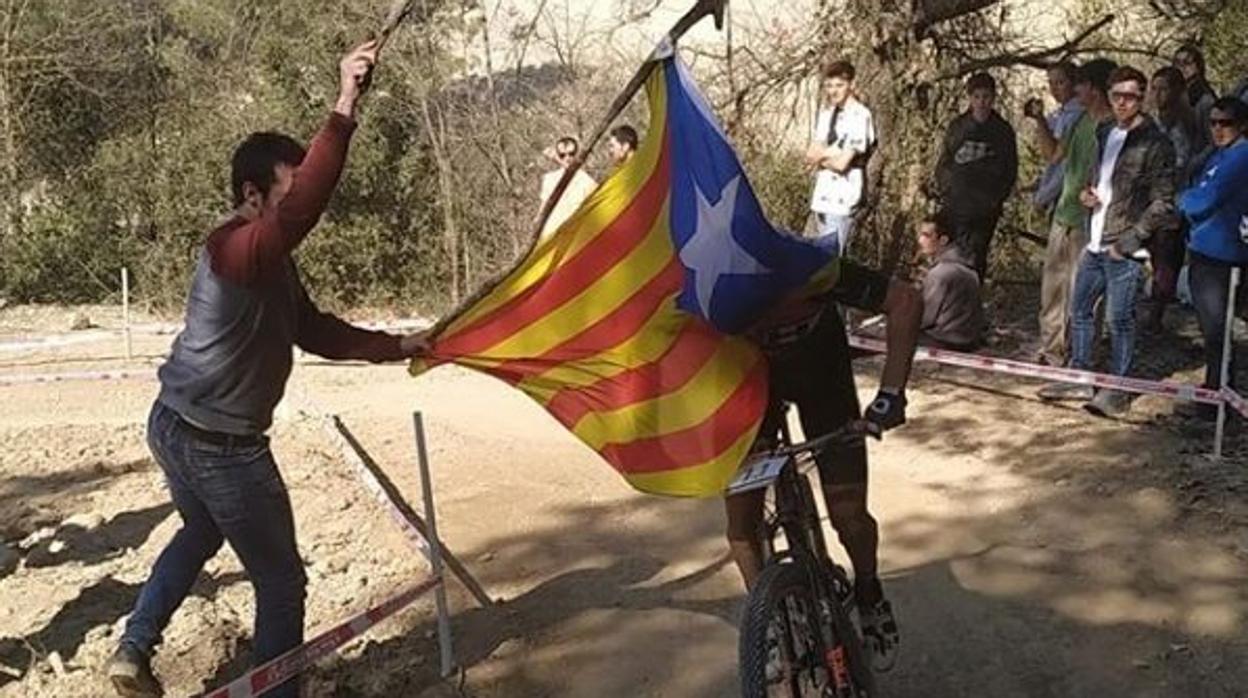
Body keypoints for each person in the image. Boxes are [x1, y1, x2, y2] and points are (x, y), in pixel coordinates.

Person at [105, 42, 432, 698]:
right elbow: (305, 205)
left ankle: (133, 649)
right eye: (283, 197)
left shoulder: (269, 262)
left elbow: (313, 330)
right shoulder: (234, 248)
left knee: (201, 529)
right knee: (282, 582)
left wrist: (397, 347)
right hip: (217, 445)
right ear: (253, 197)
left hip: (174, 425)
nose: (294, 214)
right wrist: (345, 103)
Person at [727, 258, 921, 672]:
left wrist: (892, 394)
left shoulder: (805, 263)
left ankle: (869, 593)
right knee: (742, 525)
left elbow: (905, 300)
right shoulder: (696, 279)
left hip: (821, 373)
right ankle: (771, 623)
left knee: (848, 516)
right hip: (747, 381)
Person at [1039, 66, 1177, 417]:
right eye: (1117, 95)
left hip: (1125, 246)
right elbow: (1099, 176)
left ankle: (1119, 389)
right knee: (1080, 310)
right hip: (1096, 238)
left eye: (1130, 96)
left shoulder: (1156, 143)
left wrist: (1131, 241)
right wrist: (1088, 194)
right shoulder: (1104, 131)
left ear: (1141, 96)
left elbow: (1164, 201)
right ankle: (1080, 375)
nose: (1122, 102)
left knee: (1120, 320)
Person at [1036, 58, 1115, 367]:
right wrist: (1040, 122)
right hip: (1064, 215)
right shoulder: (1080, 120)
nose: (1075, 90)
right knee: (1053, 290)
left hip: (1090, 222)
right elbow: (1055, 154)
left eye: (1080, 84)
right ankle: (1051, 351)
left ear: (1094, 89)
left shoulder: (1109, 128)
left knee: (1083, 296)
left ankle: (1081, 357)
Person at [1177, 97, 1248, 419]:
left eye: (1226, 123)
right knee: (1212, 328)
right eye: (1214, 123)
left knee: (1216, 328)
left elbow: (1203, 198)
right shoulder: (1221, 154)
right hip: (1205, 248)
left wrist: (1182, 201)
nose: (1218, 129)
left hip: (1221, 254)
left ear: (1242, 125)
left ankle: (1219, 400)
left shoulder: (1240, 156)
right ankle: (1215, 391)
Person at [935, 71, 1019, 279]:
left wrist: (994, 200)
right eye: (977, 97)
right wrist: (947, 191)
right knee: (950, 257)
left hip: (984, 210)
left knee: (975, 259)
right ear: (970, 98)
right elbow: (944, 162)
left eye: (986, 97)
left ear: (993, 98)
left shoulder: (1002, 131)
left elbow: (1010, 169)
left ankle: (971, 303)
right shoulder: (958, 127)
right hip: (956, 205)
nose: (982, 102)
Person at [1144, 65, 1209, 331]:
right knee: (1154, 255)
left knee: (1166, 256)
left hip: (1175, 199)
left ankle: (1157, 311)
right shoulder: (1152, 120)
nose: (1158, 94)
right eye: (1155, 88)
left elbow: (1184, 161)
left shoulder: (1185, 122)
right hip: (1149, 198)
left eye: (1164, 88)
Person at [805, 58, 876, 256]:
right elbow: (811, 153)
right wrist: (830, 154)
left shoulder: (860, 116)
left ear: (851, 85)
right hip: (822, 194)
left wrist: (824, 156)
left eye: (839, 85)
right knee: (819, 256)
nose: (833, 91)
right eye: (829, 85)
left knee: (830, 259)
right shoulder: (826, 114)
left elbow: (842, 163)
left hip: (843, 195)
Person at [916, 212, 986, 351]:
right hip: (969, 342)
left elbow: (924, 319)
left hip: (944, 341)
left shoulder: (940, 274)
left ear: (943, 240)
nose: (920, 240)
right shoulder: (970, 270)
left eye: (926, 235)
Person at [1024, 61, 1084, 215]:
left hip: (1068, 198)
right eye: (1051, 83)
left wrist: (1043, 197)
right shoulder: (1059, 114)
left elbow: (1056, 159)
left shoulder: (1076, 116)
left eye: (1060, 83)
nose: (1054, 89)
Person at [538, 136, 598, 238]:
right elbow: (542, 210)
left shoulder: (587, 181)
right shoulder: (549, 179)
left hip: (576, 237)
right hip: (552, 236)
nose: (567, 158)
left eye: (571, 154)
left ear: (577, 154)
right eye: (562, 155)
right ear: (558, 156)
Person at [1173, 44, 1218, 127]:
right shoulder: (1174, 93)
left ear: (1198, 66)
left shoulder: (1205, 99)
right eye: (1178, 63)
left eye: (1187, 62)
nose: (1182, 67)